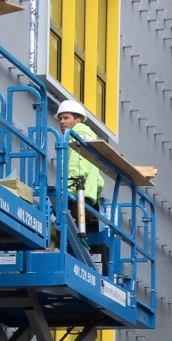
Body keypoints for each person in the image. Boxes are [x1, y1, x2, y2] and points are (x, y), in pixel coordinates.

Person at [56, 99, 107, 271]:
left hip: (77, 194)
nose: (62, 122)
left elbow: (77, 166)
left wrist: (66, 190)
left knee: (70, 240)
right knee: (85, 247)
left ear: (78, 119)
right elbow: (99, 180)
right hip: (89, 199)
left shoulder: (76, 135)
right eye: (60, 119)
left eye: (66, 118)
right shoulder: (91, 138)